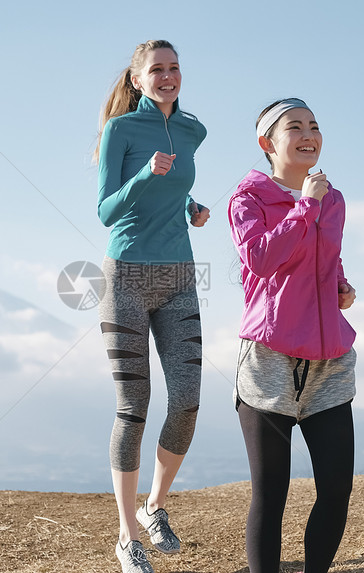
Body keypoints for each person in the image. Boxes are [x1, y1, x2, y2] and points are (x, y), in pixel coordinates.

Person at [227, 98, 358, 573]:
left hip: (330, 359)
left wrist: (340, 286)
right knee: (272, 492)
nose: (308, 134)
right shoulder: (249, 199)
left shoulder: (333, 198)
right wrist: (306, 204)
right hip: (269, 357)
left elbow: (327, 257)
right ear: (268, 143)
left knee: (337, 487)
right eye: (295, 127)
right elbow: (261, 260)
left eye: (315, 126)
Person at [95, 40, 210, 573]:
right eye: (157, 70)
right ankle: (125, 534)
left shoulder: (192, 130)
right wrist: (144, 176)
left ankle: (155, 506)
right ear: (138, 80)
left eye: (174, 68)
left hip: (179, 276)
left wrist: (190, 205)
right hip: (126, 277)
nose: (168, 76)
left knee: (187, 399)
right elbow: (106, 209)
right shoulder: (120, 130)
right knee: (133, 405)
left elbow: (176, 185)